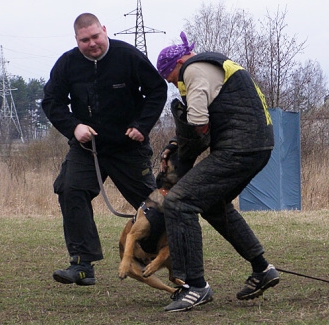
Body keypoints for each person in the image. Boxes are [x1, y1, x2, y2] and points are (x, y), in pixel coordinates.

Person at [156, 32, 280, 312]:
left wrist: (180, 155)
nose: (175, 84)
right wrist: (177, 142)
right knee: (212, 205)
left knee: (178, 201)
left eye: (171, 77)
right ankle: (262, 269)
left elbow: (199, 125)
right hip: (257, 145)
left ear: (178, 64)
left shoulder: (193, 70)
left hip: (239, 148)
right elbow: (212, 118)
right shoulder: (214, 66)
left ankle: (194, 286)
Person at [41, 13, 167, 286]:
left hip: (128, 148)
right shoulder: (67, 64)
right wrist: (74, 127)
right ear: (77, 40)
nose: (92, 43)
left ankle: (178, 262)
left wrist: (142, 126)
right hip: (87, 148)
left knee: (155, 207)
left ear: (105, 31)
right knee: (70, 189)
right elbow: (52, 101)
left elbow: (157, 90)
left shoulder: (128, 56)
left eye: (96, 36)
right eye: (85, 40)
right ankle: (82, 264)